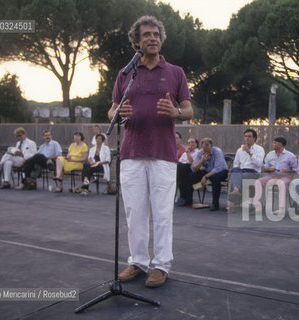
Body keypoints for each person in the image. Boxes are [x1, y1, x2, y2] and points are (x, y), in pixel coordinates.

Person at [108, 16, 193, 288]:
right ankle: (138, 261)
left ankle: (161, 265)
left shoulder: (175, 72)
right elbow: (111, 110)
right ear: (137, 41)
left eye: (156, 34)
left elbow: (189, 110)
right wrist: (118, 112)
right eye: (146, 34)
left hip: (163, 153)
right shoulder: (125, 73)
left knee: (162, 212)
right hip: (131, 152)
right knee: (135, 211)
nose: (153, 38)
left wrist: (177, 113)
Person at [181, 138, 228, 211]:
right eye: (204, 150)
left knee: (216, 178)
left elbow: (218, 168)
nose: (206, 152)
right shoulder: (200, 153)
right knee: (191, 176)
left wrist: (205, 177)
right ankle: (188, 201)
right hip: (208, 171)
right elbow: (193, 168)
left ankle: (215, 204)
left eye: (208, 150)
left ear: (211, 147)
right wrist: (202, 160)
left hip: (221, 171)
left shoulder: (217, 151)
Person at [253, 136, 297, 211]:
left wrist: (287, 171)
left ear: (280, 145)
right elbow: (264, 169)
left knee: (281, 183)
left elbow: (296, 170)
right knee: (258, 182)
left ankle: (281, 208)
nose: (272, 144)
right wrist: (268, 169)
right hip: (271, 176)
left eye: (274, 143)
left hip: (285, 177)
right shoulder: (270, 154)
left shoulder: (290, 156)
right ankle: (258, 207)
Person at [227, 128, 265, 213]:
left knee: (236, 178)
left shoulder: (259, 149)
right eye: (245, 136)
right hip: (241, 171)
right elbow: (236, 164)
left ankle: (232, 204)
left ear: (254, 138)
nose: (247, 138)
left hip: (253, 172)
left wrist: (249, 153)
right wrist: (238, 167)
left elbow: (259, 164)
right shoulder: (239, 150)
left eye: (249, 136)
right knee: (235, 171)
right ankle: (236, 190)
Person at [176, 137, 199, 205]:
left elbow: (193, 163)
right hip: (183, 172)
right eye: (189, 143)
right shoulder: (184, 153)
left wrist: (188, 153)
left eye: (192, 142)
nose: (190, 144)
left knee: (183, 177)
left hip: (194, 171)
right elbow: (179, 162)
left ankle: (183, 198)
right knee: (180, 170)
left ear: (196, 144)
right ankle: (183, 198)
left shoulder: (198, 152)